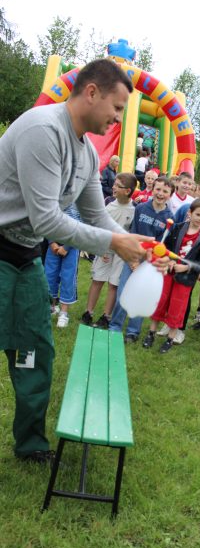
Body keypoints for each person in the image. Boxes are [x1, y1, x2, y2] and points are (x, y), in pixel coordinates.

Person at [0, 58, 165, 464]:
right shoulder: (43, 130)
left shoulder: (88, 153)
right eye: (117, 107)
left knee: (35, 351)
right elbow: (47, 220)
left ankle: (30, 444)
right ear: (91, 92)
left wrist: (137, 247)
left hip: (26, 258)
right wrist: (115, 242)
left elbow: (96, 216)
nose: (119, 118)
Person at [109, 176, 175, 342]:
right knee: (123, 292)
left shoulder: (170, 217)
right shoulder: (140, 208)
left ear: (170, 195)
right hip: (133, 257)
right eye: (158, 189)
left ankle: (133, 331)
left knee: (140, 295)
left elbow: (163, 246)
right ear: (152, 189)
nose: (160, 193)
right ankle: (115, 326)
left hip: (150, 264)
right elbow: (133, 234)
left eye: (165, 191)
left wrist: (152, 258)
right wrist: (133, 262)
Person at [142, 198, 200, 354]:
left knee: (177, 308)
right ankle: (151, 333)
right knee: (160, 302)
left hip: (185, 280)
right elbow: (166, 248)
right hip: (167, 273)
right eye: (198, 214)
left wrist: (186, 267)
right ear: (189, 213)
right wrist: (170, 260)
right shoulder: (178, 228)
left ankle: (170, 339)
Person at [160, 178, 200, 342]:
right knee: (169, 294)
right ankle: (167, 323)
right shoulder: (186, 208)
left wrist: (190, 263)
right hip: (174, 260)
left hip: (191, 266)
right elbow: (175, 227)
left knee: (183, 298)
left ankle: (179, 328)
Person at [81, 173, 137, 329]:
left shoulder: (134, 209)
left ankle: (106, 316)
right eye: (114, 184)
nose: (113, 187)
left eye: (118, 185)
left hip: (121, 254)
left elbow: (130, 233)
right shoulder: (107, 203)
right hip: (105, 249)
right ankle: (88, 312)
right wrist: (102, 249)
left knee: (114, 284)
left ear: (127, 191)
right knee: (97, 280)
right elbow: (99, 227)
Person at [44, 204, 81, 329]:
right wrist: (52, 242)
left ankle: (64, 313)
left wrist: (66, 247)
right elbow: (46, 220)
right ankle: (52, 307)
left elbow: (81, 226)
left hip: (72, 245)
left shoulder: (79, 200)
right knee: (49, 276)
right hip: (53, 245)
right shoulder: (53, 198)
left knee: (67, 278)